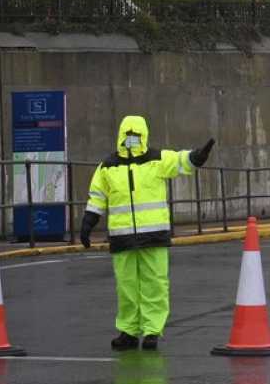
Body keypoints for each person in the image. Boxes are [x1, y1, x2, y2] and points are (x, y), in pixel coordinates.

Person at [80, 117, 214, 350]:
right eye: (128, 135)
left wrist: (197, 156)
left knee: (155, 284)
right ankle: (129, 331)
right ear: (122, 136)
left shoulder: (157, 159)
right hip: (122, 237)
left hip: (153, 236)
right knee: (126, 287)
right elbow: (97, 196)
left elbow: (180, 160)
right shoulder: (108, 166)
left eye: (136, 135)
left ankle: (152, 331)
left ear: (143, 135)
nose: (132, 140)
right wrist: (88, 222)